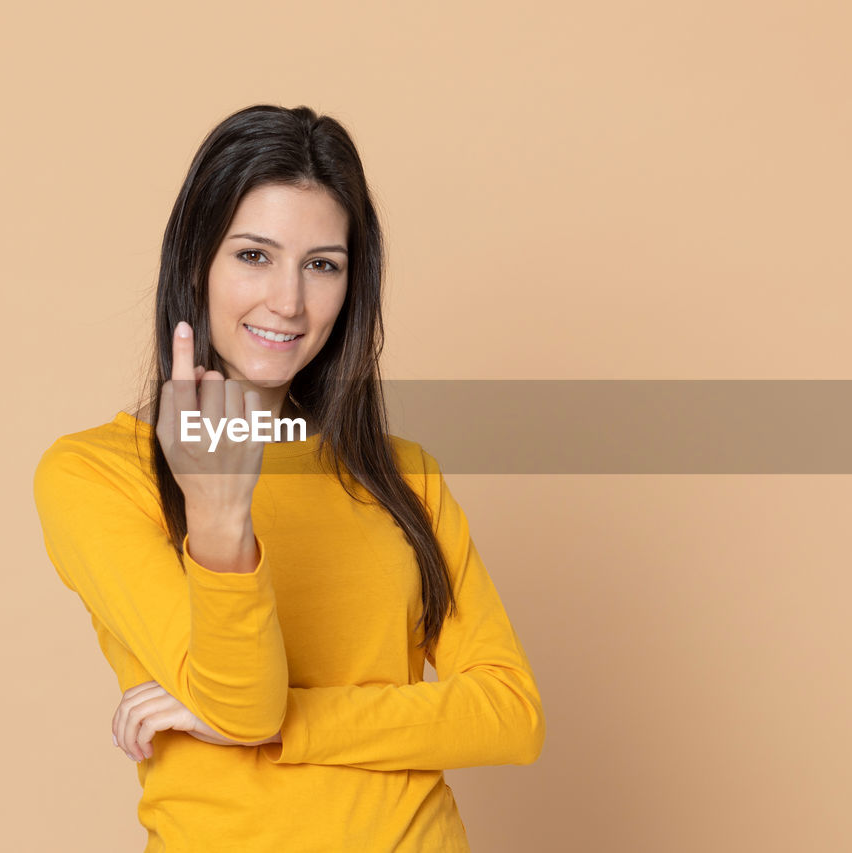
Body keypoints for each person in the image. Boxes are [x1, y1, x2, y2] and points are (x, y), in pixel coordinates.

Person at [32, 104, 544, 852]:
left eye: (322, 264)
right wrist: (216, 517)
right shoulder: (98, 474)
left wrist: (290, 720)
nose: (289, 301)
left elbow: (510, 713)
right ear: (195, 261)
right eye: (254, 255)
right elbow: (243, 704)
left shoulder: (402, 474)